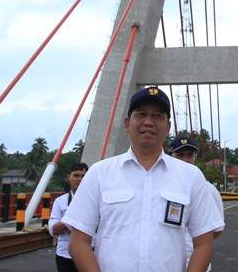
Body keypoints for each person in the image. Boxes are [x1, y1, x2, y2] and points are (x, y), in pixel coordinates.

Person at [64, 86, 225, 272]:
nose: (148, 122)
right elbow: (78, 242)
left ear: (168, 127)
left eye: (157, 115)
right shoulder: (99, 173)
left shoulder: (191, 177)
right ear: (126, 123)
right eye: (141, 114)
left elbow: (204, 244)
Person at [167, 137, 225, 270]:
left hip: (197, 263)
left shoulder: (208, 189)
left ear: (195, 157)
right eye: (180, 155)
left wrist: (198, 242)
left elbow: (216, 230)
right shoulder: (161, 187)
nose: (186, 159)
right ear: (171, 156)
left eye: (189, 155)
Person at [49, 162, 89, 272]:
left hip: (91, 255)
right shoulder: (60, 202)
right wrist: (72, 218)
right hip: (66, 255)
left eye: (83, 176)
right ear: (68, 177)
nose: (80, 179)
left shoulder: (98, 201)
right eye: (76, 175)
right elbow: (53, 230)